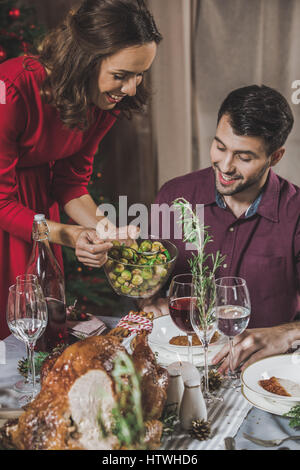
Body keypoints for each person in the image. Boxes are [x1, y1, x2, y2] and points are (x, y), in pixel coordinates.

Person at [0, 0, 162, 339]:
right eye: (121, 75)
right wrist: (68, 234)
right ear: (84, 61)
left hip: (41, 219)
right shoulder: (10, 88)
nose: (131, 89)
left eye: (140, 75)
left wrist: (106, 231)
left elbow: (71, 183)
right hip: (11, 214)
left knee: (38, 331)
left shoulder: (104, 100)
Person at [143, 85, 300, 372]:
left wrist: (286, 333)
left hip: (266, 373)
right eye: (220, 146)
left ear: (275, 157)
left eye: (244, 157)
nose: (225, 166)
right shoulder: (173, 195)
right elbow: (146, 285)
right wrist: (150, 301)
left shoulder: (296, 214)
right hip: (181, 366)